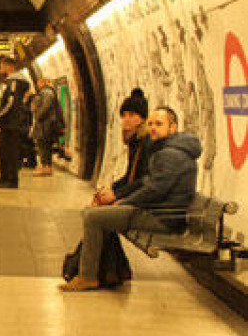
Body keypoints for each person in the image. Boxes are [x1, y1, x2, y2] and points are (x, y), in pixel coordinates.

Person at [61, 107, 201, 291]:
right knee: (100, 215)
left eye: (159, 124)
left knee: (93, 216)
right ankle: (111, 270)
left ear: (173, 127)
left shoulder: (170, 154)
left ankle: (88, 276)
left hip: (162, 217)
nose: (152, 128)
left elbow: (155, 189)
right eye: (150, 123)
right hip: (162, 212)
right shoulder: (170, 150)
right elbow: (150, 184)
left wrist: (124, 202)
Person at [94, 88, 151, 206]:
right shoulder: (134, 141)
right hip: (134, 193)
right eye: (124, 115)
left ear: (142, 118)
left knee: (98, 215)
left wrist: (117, 195)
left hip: (142, 200)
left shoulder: (147, 142)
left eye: (131, 115)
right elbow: (130, 176)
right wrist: (111, 188)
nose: (126, 119)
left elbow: (145, 180)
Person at [0, 57, 30, 188]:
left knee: (10, 152)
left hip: (11, 124)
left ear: (9, 66)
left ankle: (12, 180)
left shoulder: (15, 82)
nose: (0, 69)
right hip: (7, 123)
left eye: (2, 66)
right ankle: (4, 177)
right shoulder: (10, 82)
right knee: (2, 151)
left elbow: (10, 103)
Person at [30, 78, 59, 176]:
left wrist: (38, 114)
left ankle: (45, 168)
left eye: (39, 83)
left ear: (43, 83)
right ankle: (47, 168)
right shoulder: (47, 92)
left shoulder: (46, 92)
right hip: (45, 123)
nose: (38, 85)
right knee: (45, 146)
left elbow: (46, 106)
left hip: (45, 124)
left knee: (43, 145)